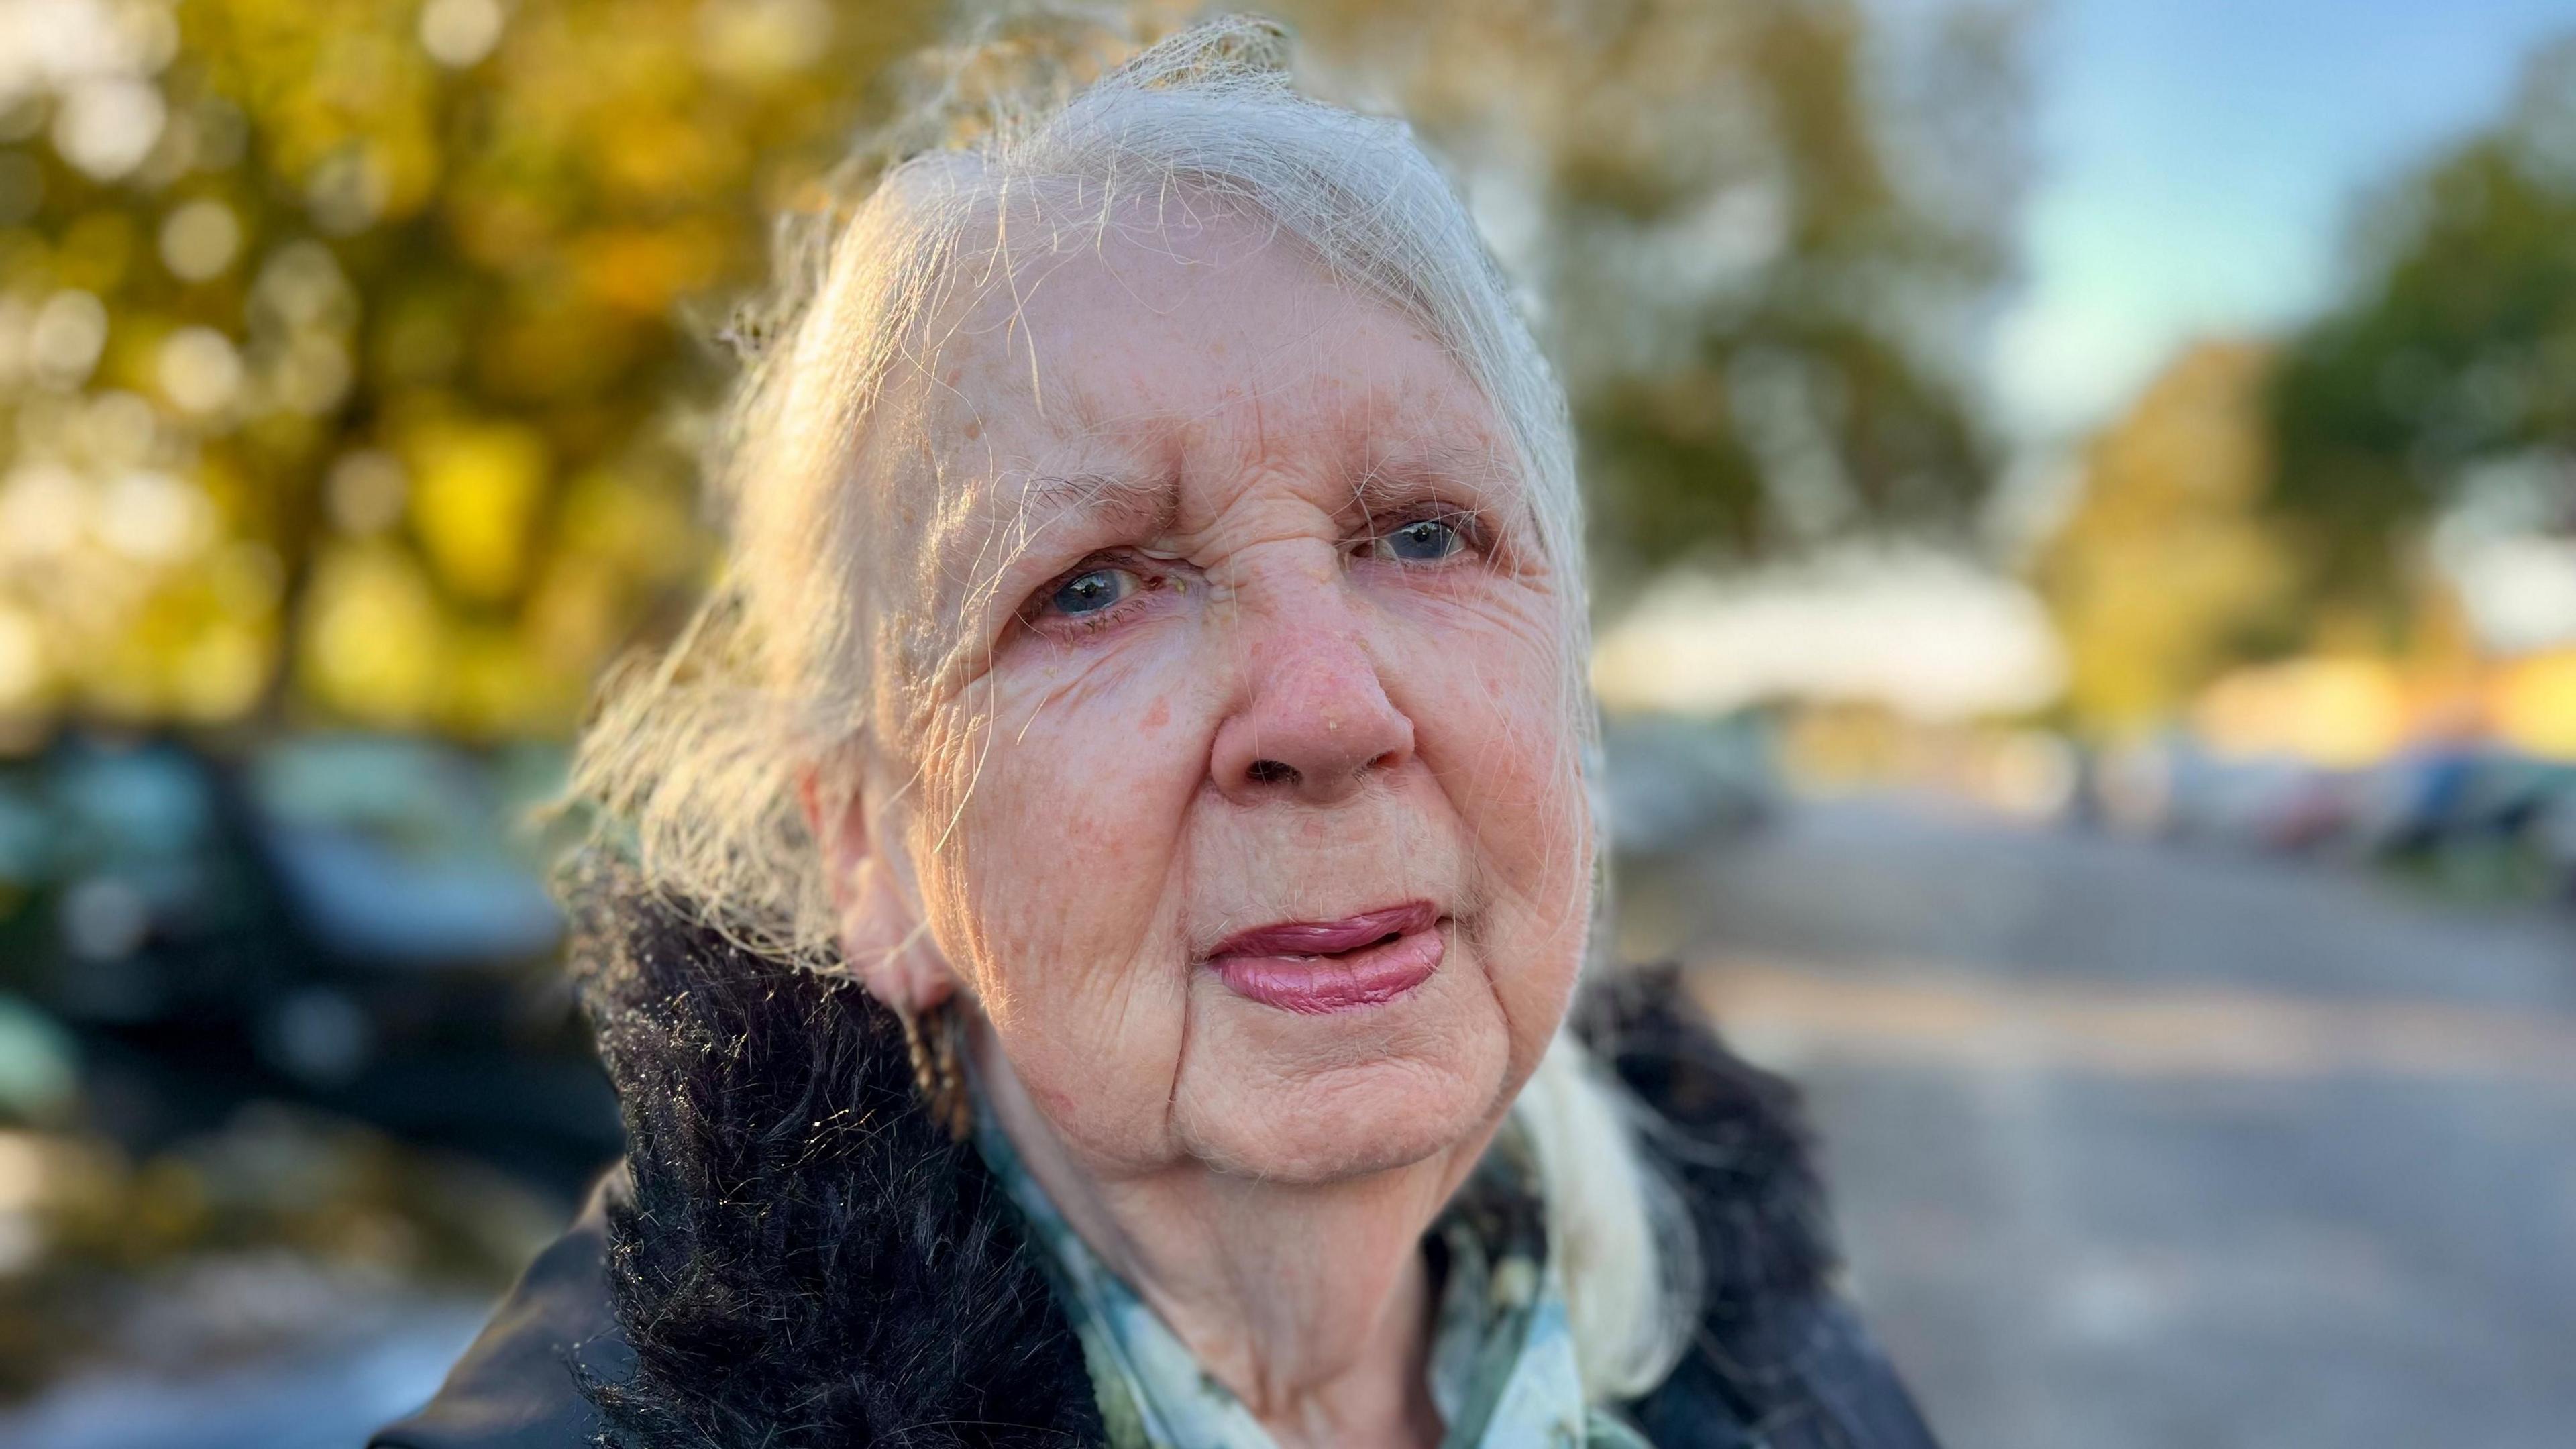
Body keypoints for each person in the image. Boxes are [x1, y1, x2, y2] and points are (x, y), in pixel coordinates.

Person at [370, 17, 1939, 1449]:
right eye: (1093, 587)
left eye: (1423, 536)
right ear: (872, 854)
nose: (1328, 711)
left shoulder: (1783, 1360)